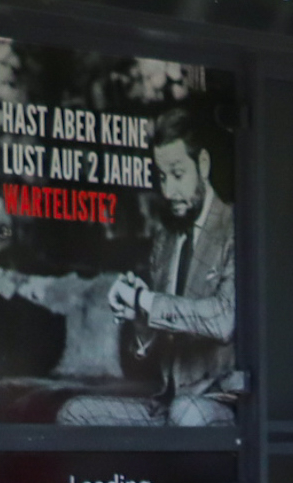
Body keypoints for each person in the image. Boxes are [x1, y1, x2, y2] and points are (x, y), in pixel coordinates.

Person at [59, 107, 237, 425]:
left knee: (186, 414)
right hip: (165, 404)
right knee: (74, 413)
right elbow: (146, 350)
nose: (168, 191)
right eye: (162, 177)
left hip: (216, 402)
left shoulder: (234, 226)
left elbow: (224, 319)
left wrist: (145, 301)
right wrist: (138, 317)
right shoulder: (165, 240)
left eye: (178, 175)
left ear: (204, 165)